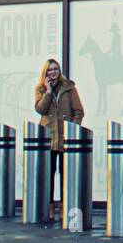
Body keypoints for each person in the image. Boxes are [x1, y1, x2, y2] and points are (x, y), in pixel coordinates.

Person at [34, 58, 84, 218]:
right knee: (49, 172)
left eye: (55, 69)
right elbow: (40, 109)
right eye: (50, 69)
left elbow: (79, 111)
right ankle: (49, 206)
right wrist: (48, 92)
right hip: (48, 136)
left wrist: (72, 129)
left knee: (65, 172)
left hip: (65, 136)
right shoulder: (41, 89)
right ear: (45, 72)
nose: (53, 72)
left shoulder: (69, 88)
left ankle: (64, 206)